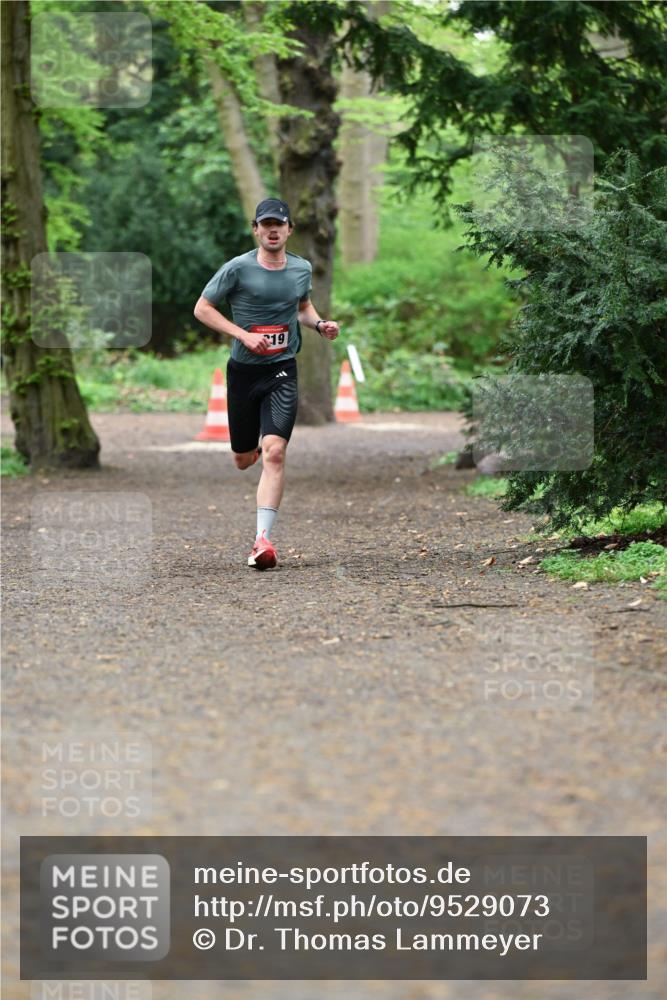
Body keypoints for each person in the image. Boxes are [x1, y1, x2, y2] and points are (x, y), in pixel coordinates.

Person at [194, 198, 339, 570]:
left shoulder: (301, 268)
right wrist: (242, 335)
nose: (273, 230)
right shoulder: (237, 269)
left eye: (280, 224)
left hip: (282, 369)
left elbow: (302, 306)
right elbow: (203, 309)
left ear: (289, 230)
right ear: (256, 229)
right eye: (266, 224)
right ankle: (251, 448)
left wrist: (320, 324)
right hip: (244, 373)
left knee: (275, 452)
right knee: (244, 460)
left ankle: (262, 540)